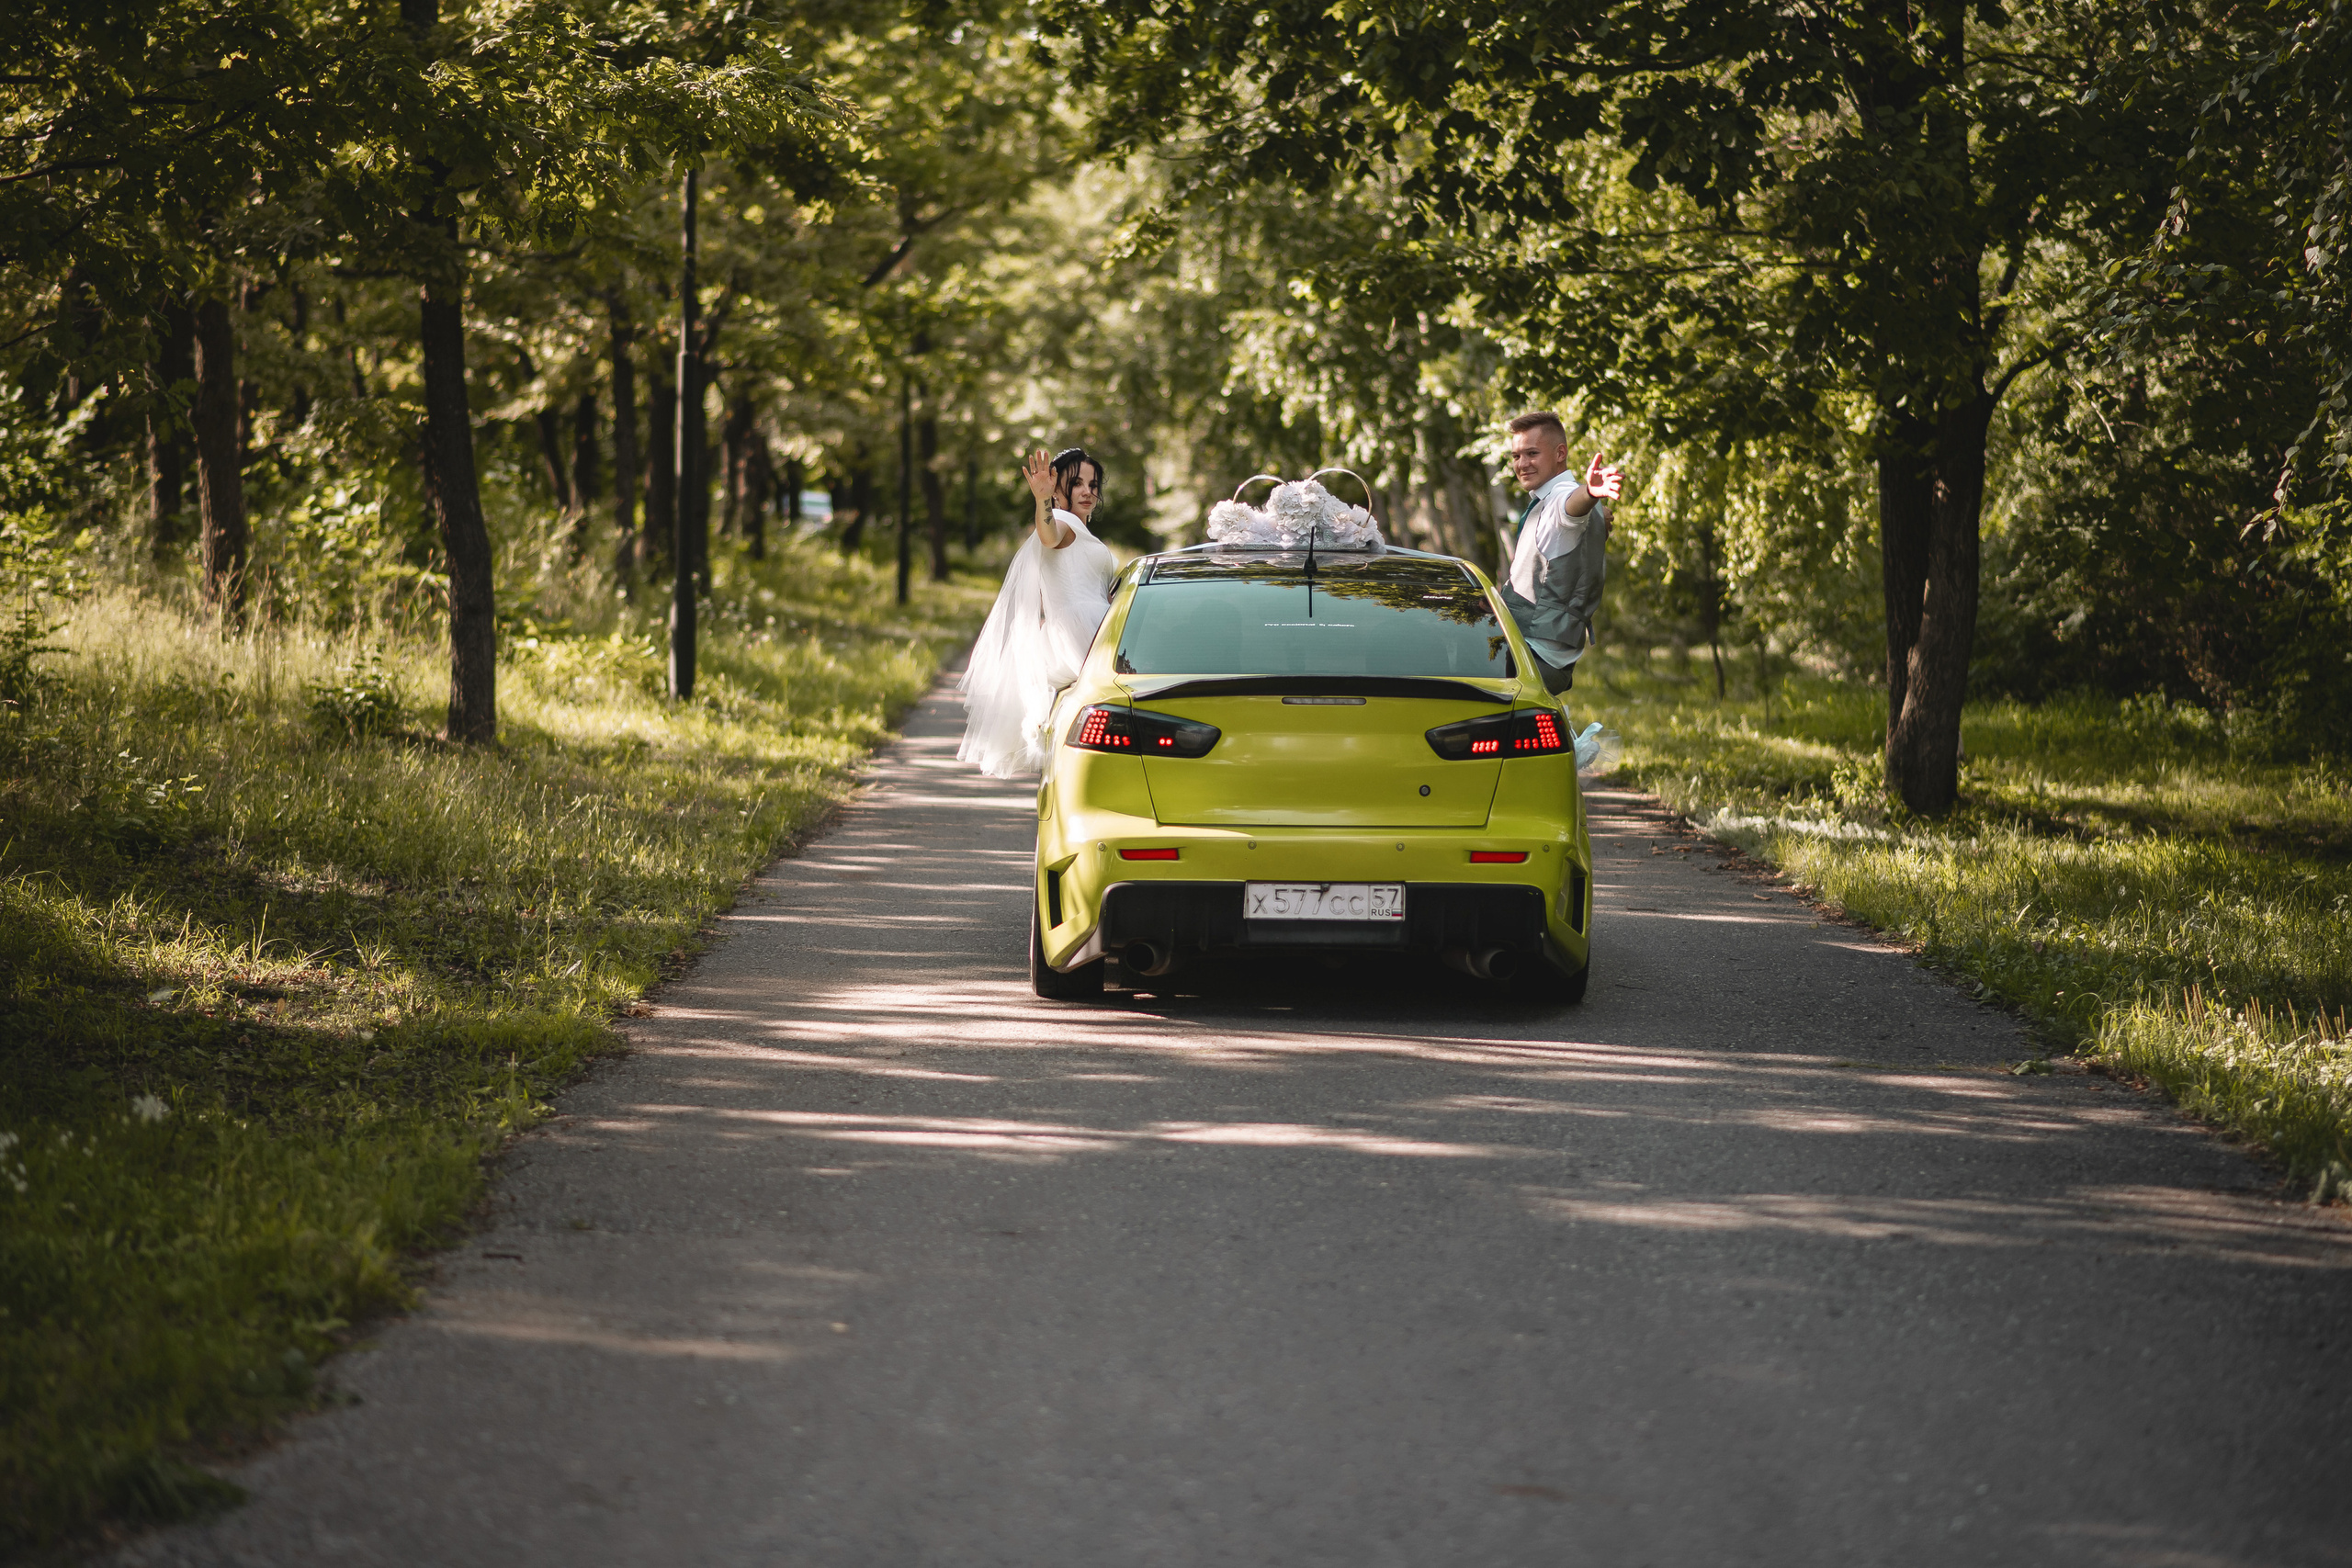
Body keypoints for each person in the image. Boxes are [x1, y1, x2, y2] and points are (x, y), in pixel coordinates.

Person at [957, 446, 1120, 777]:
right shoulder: (1061, 521)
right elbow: (1048, 536)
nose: (1088, 491)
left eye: (1093, 484)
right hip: (1080, 632)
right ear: (1059, 487)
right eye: (1077, 483)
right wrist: (1043, 501)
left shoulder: (1083, 531)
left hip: (1097, 626)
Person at [1494, 410, 1623, 694]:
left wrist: (1590, 492)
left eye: (1532, 454)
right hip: (1540, 651)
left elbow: (1570, 509)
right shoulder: (1547, 501)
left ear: (1560, 453)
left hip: (1534, 656)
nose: (1522, 464)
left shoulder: (1560, 499)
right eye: (1516, 456)